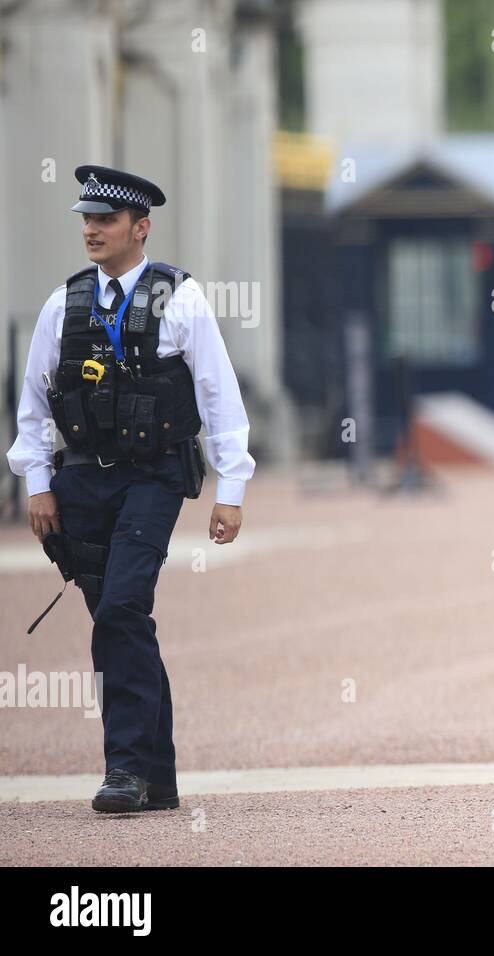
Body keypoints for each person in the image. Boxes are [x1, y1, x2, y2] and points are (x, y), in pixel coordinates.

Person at [6, 165, 255, 812]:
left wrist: (232, 486)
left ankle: (124, 769)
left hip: (153, 478)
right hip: (83, 480)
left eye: (106, 220)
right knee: (123, 623)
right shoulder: (65, 304)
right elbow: (33, 402)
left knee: (120, 611)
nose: (92, 228)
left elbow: (218, 396)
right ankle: (159, 776)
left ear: (140, 228)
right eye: (87, 218)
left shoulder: (183, 300)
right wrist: (37, 483)